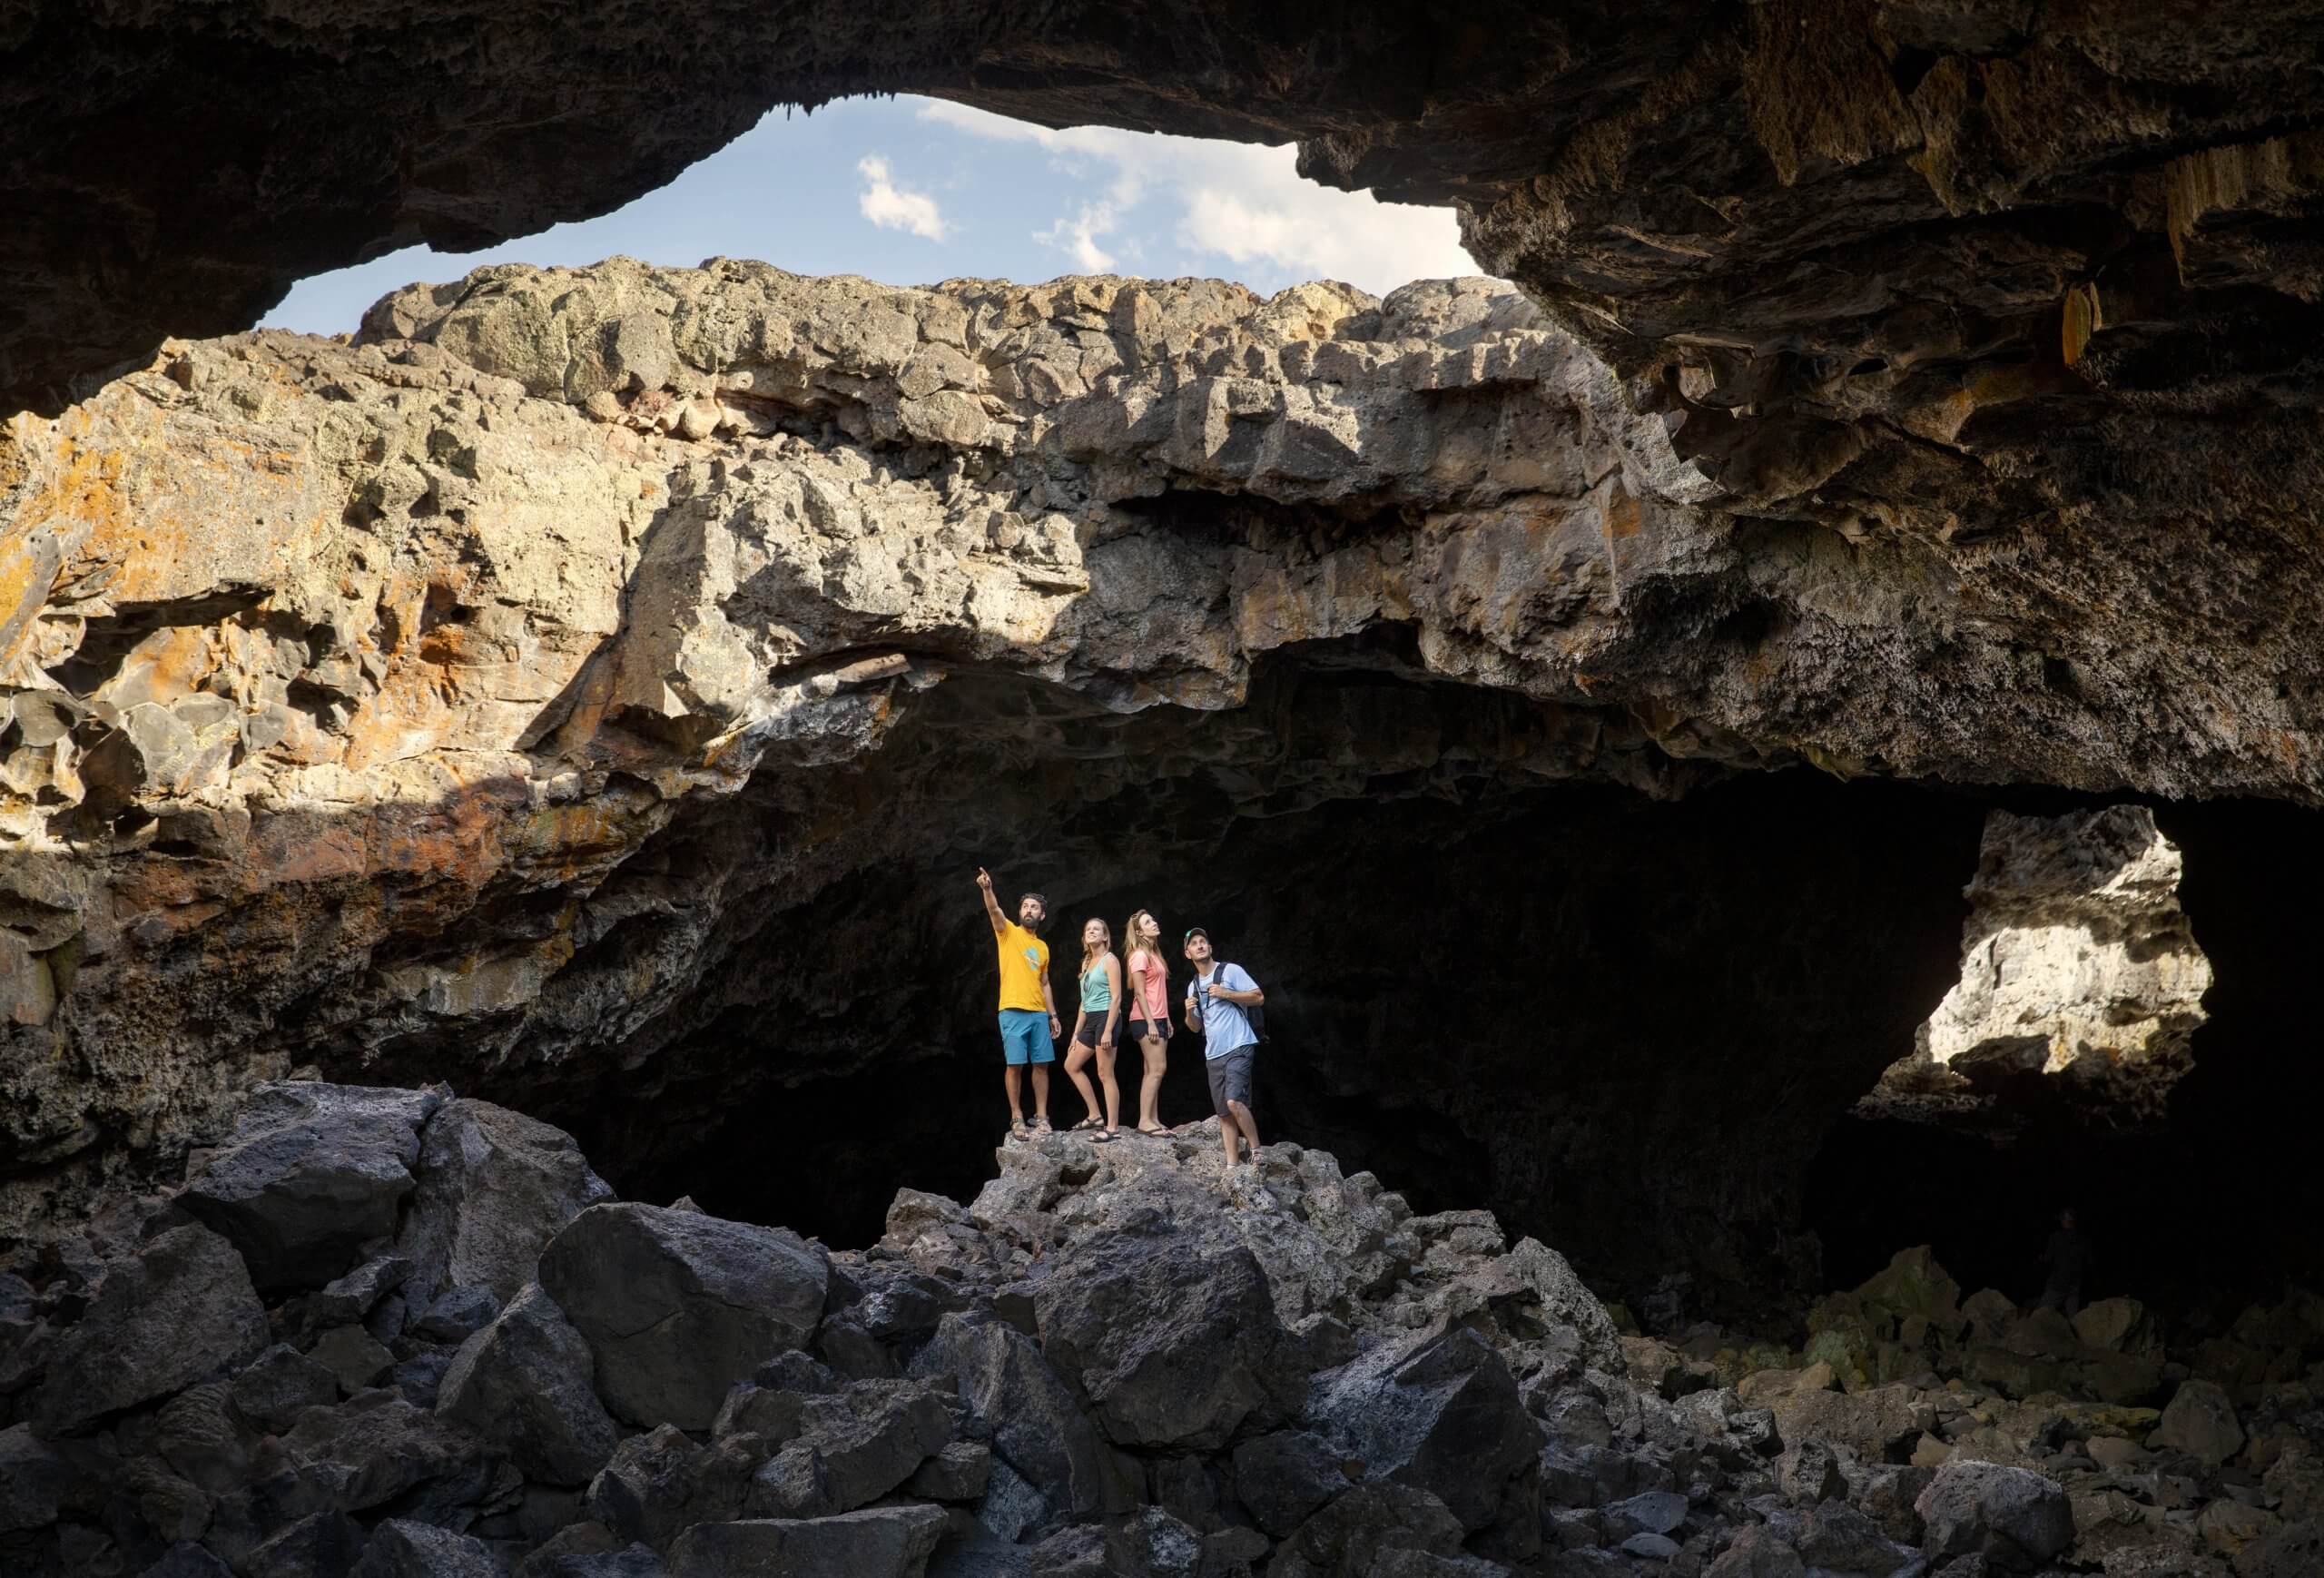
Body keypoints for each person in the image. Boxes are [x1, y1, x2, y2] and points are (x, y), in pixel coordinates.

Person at [976, 866, 1059, 1140]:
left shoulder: (1044, 947)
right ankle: (1016, 1117)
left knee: (1042, 1063)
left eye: (1034, 907)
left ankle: (1042, 1117)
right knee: (1014, 1065)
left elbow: (1045, 982)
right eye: (1025, 906)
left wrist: (1053, 1015)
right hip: (1012, 1010)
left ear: (1042, 915)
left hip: (1037, 1012)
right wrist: (988, 889)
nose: (1029, 910)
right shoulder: (1008, 933)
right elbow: (994, 911)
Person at [1182, 926, 1263, 1182]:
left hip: (1239, 1044)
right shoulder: (1192, 987)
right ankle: (1232, 1167)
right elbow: (1195, 1027)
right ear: (1188, 953)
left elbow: (1258, 997)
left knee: (1233, 1102)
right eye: (1194, 943)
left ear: (1210, 947)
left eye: (1203, 941)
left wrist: (1227, 993)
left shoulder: (1230, 971)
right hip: (1213, 1053)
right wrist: (1187, 1012)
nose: (1200, 945)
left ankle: (1257, 1150)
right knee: (1223, 1113)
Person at [1062, 918, 1123, 1141]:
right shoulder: (1087, 963)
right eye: (1088, 929)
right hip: (1091, 1019)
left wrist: (1107, 1030)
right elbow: (1083, 1003)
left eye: (1096, 929)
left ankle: (1113, 1127)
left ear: (1105, 936)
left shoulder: (1110, 960)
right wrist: (1075, 1034)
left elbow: (1116, 998)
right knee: (1071, 1064)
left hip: (1108, 1016)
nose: (1091, 932)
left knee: (1105, 1073)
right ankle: (1095, 1115)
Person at [1122, 909, 1171, 1135]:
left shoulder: (1154, 954)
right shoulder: (1139, 955)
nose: (1155, 922)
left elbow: (1159, 990)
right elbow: (1140, 993)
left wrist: (1166, 1018)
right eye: (1148, 922)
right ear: (1140, 932)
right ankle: (1144, 1121)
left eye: (1153, 918)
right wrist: (1151, 1023)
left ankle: (1154, 1118)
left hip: (1158, 1017)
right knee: (1158, 1069)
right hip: (1144, 1019)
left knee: (1151, 1070)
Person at [2039, 1207, 2093, 1316]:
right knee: (2073, 1318)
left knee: (2040, 1313)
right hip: (2075, 1286)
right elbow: (2090, 1262)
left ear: (2064, 1221)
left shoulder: (2055, 1237)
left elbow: (2048, 1259)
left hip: (2057, 1285)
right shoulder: (2084, 1239)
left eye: (2061, 1220)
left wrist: (2041, 1258)